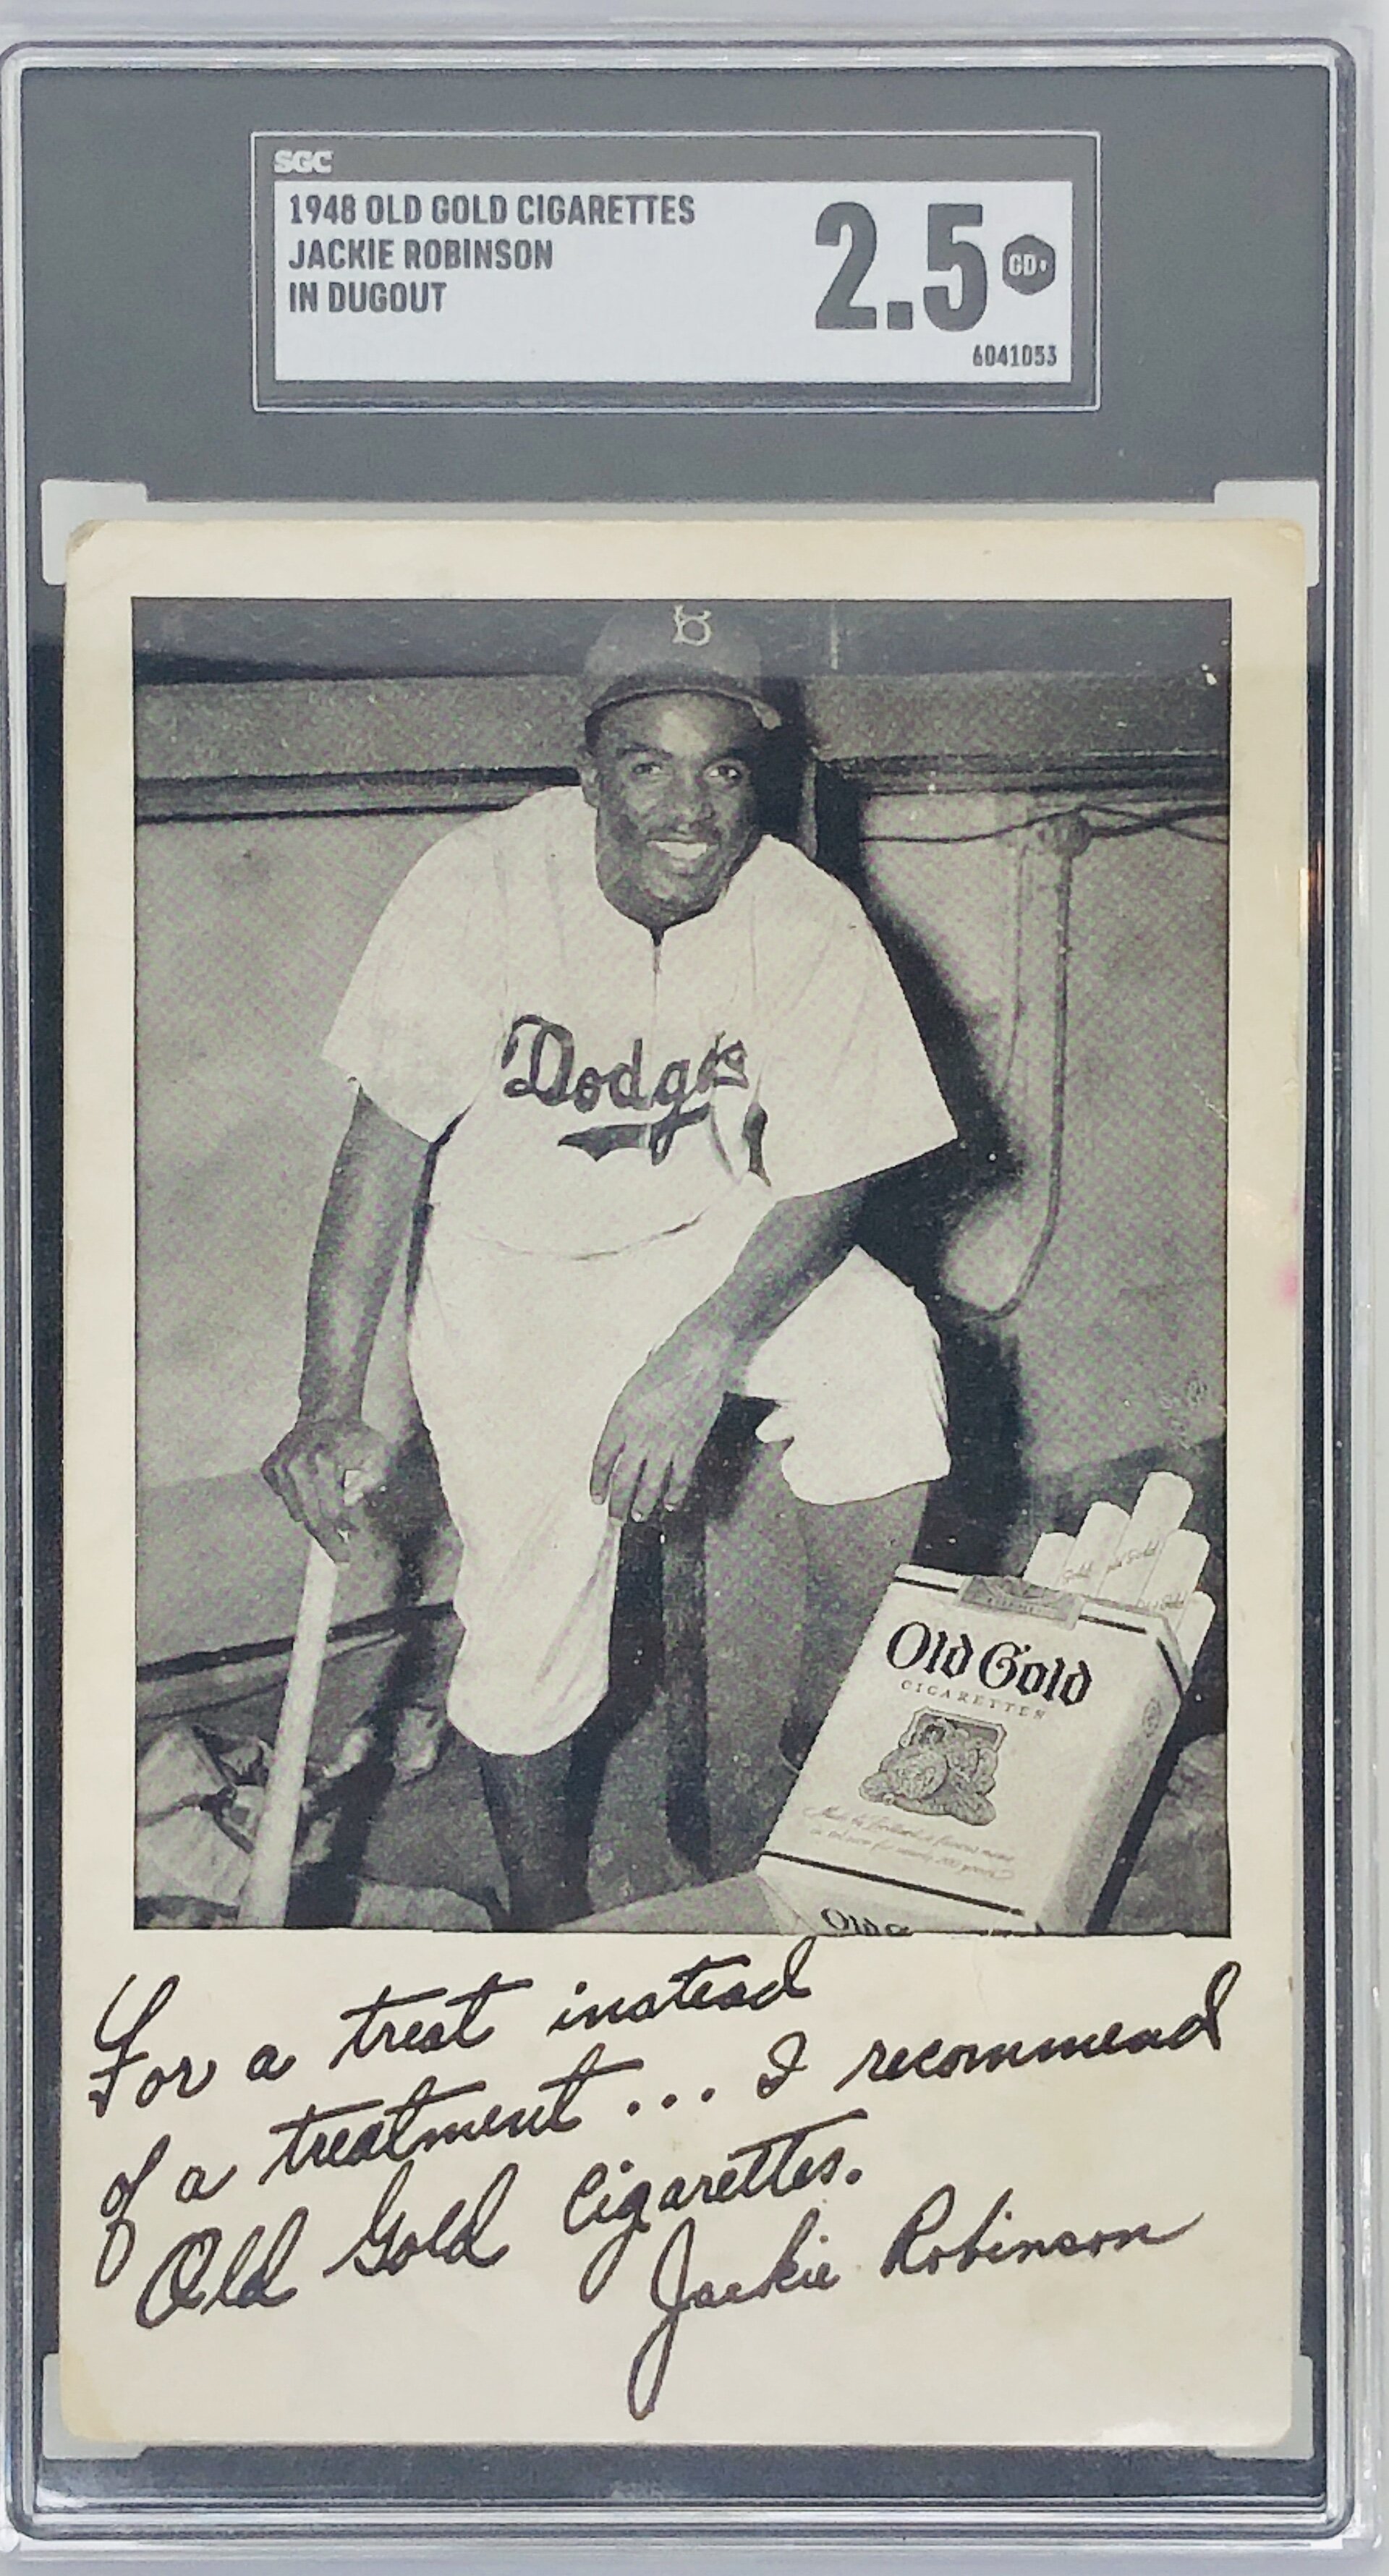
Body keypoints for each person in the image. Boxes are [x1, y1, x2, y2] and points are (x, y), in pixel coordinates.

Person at [263, 603, 956, 1926]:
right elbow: (382, 1156)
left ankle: (820, 1753)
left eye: (724, 768)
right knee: (532, 1623)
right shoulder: (478, 884)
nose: (690, 808)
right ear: (589, 772)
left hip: (711, 1244)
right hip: (510, 1273)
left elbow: (834, 1171)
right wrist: (326, 1397)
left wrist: (702, 1348)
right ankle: (546, 1915)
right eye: (650, 764)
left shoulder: (803, 914)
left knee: (886, 1355)